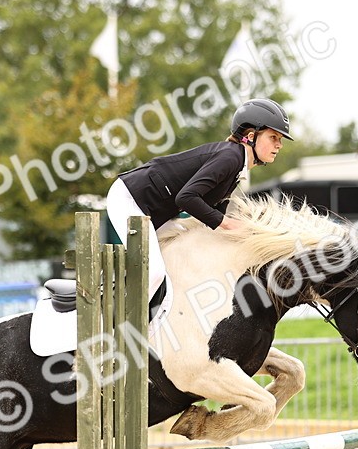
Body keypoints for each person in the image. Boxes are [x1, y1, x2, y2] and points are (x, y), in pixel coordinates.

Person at [107, 98, 292, 301]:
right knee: (155, 273)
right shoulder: (230, 158)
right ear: (250, 136)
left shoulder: (237, 166)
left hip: (152, 209)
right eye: (273, 137)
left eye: (280, 139)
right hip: (130, 197)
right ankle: (120, 325)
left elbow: (215, 217)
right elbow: (186, 198)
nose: (279, 145)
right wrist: (229, 224)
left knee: (183, 251)